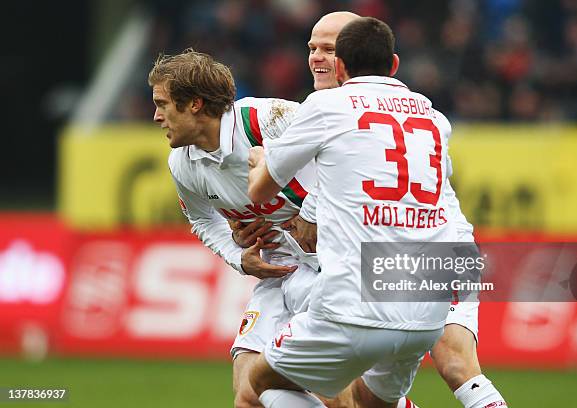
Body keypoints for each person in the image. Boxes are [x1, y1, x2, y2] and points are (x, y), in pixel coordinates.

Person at [238, 10, 507, 408]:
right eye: (312, 47)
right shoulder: (430, 113)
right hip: (437, 258)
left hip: (385, 269)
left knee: (253, 388)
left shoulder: (324, 108)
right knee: (419, 382)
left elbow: (275, 199)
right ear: (392, 63)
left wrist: (266, 170)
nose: (317, 57)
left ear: (344, 61)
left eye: (329, 48)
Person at [148, 50, 321, 408]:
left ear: (194, 104)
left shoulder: (266, 119)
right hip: (278, 273)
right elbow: (201, 219)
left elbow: (348, 153)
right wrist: (239, 257)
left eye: (163, 104)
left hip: (334, 268)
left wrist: (313, 212)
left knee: (344, 396)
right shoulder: (183, 163)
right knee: (248, 395)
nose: (156, 116)